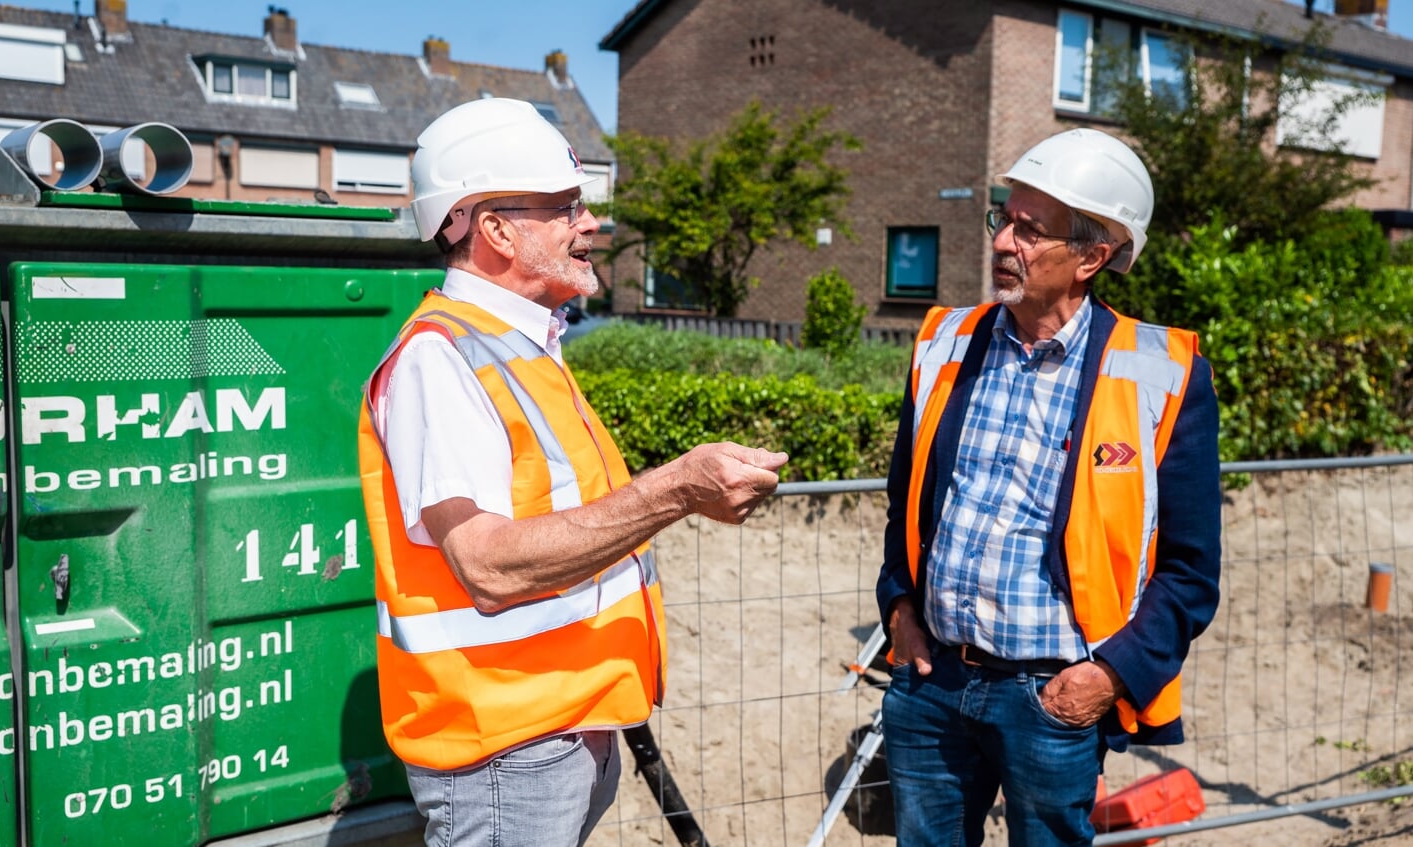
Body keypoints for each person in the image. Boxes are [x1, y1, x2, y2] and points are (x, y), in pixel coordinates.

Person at [357, 98, 787, 847]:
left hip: (556, 726)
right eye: (564, 207)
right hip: (505, 744)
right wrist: (676, 488)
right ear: (494, 228)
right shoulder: (441, 355)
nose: (589, 223)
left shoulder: (521, 343)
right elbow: (487, 565)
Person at [875, 128, 1221, 847]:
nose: (1003, 241)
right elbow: (905, 500)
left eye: (1029, 230)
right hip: (929, 679)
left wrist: (1108, 676)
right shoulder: (942, 341)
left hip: (1052, 701)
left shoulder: (1162, 371)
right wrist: (897, 606)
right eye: (1002, 219)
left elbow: (1190, 573)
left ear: (1092, 256)